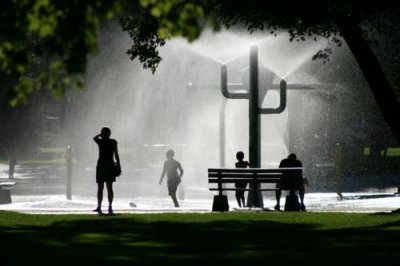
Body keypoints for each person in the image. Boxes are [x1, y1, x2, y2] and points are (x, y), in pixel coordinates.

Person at [93, 127, 120, 215]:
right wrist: (118, 164)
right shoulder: (113, 142)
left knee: (100, 188)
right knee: (109, 187)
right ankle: (110, 206)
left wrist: (100, 135)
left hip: (101, 166)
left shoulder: (101, 141)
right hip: (110, 165)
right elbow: (116, 154)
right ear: (110, 134)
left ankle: (99, 207)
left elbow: (94, 138)